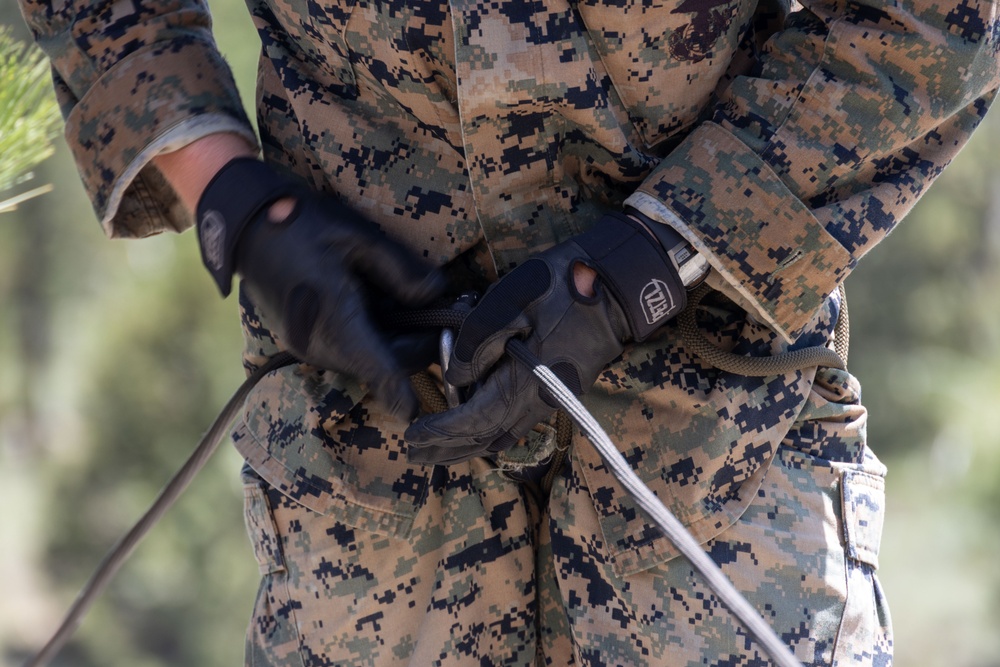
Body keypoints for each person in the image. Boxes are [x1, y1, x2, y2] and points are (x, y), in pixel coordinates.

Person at [18, 0, 999, 664]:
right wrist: (225, 186)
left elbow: (928, 22)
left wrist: (657, 260)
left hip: (711, 461)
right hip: (364, 461)